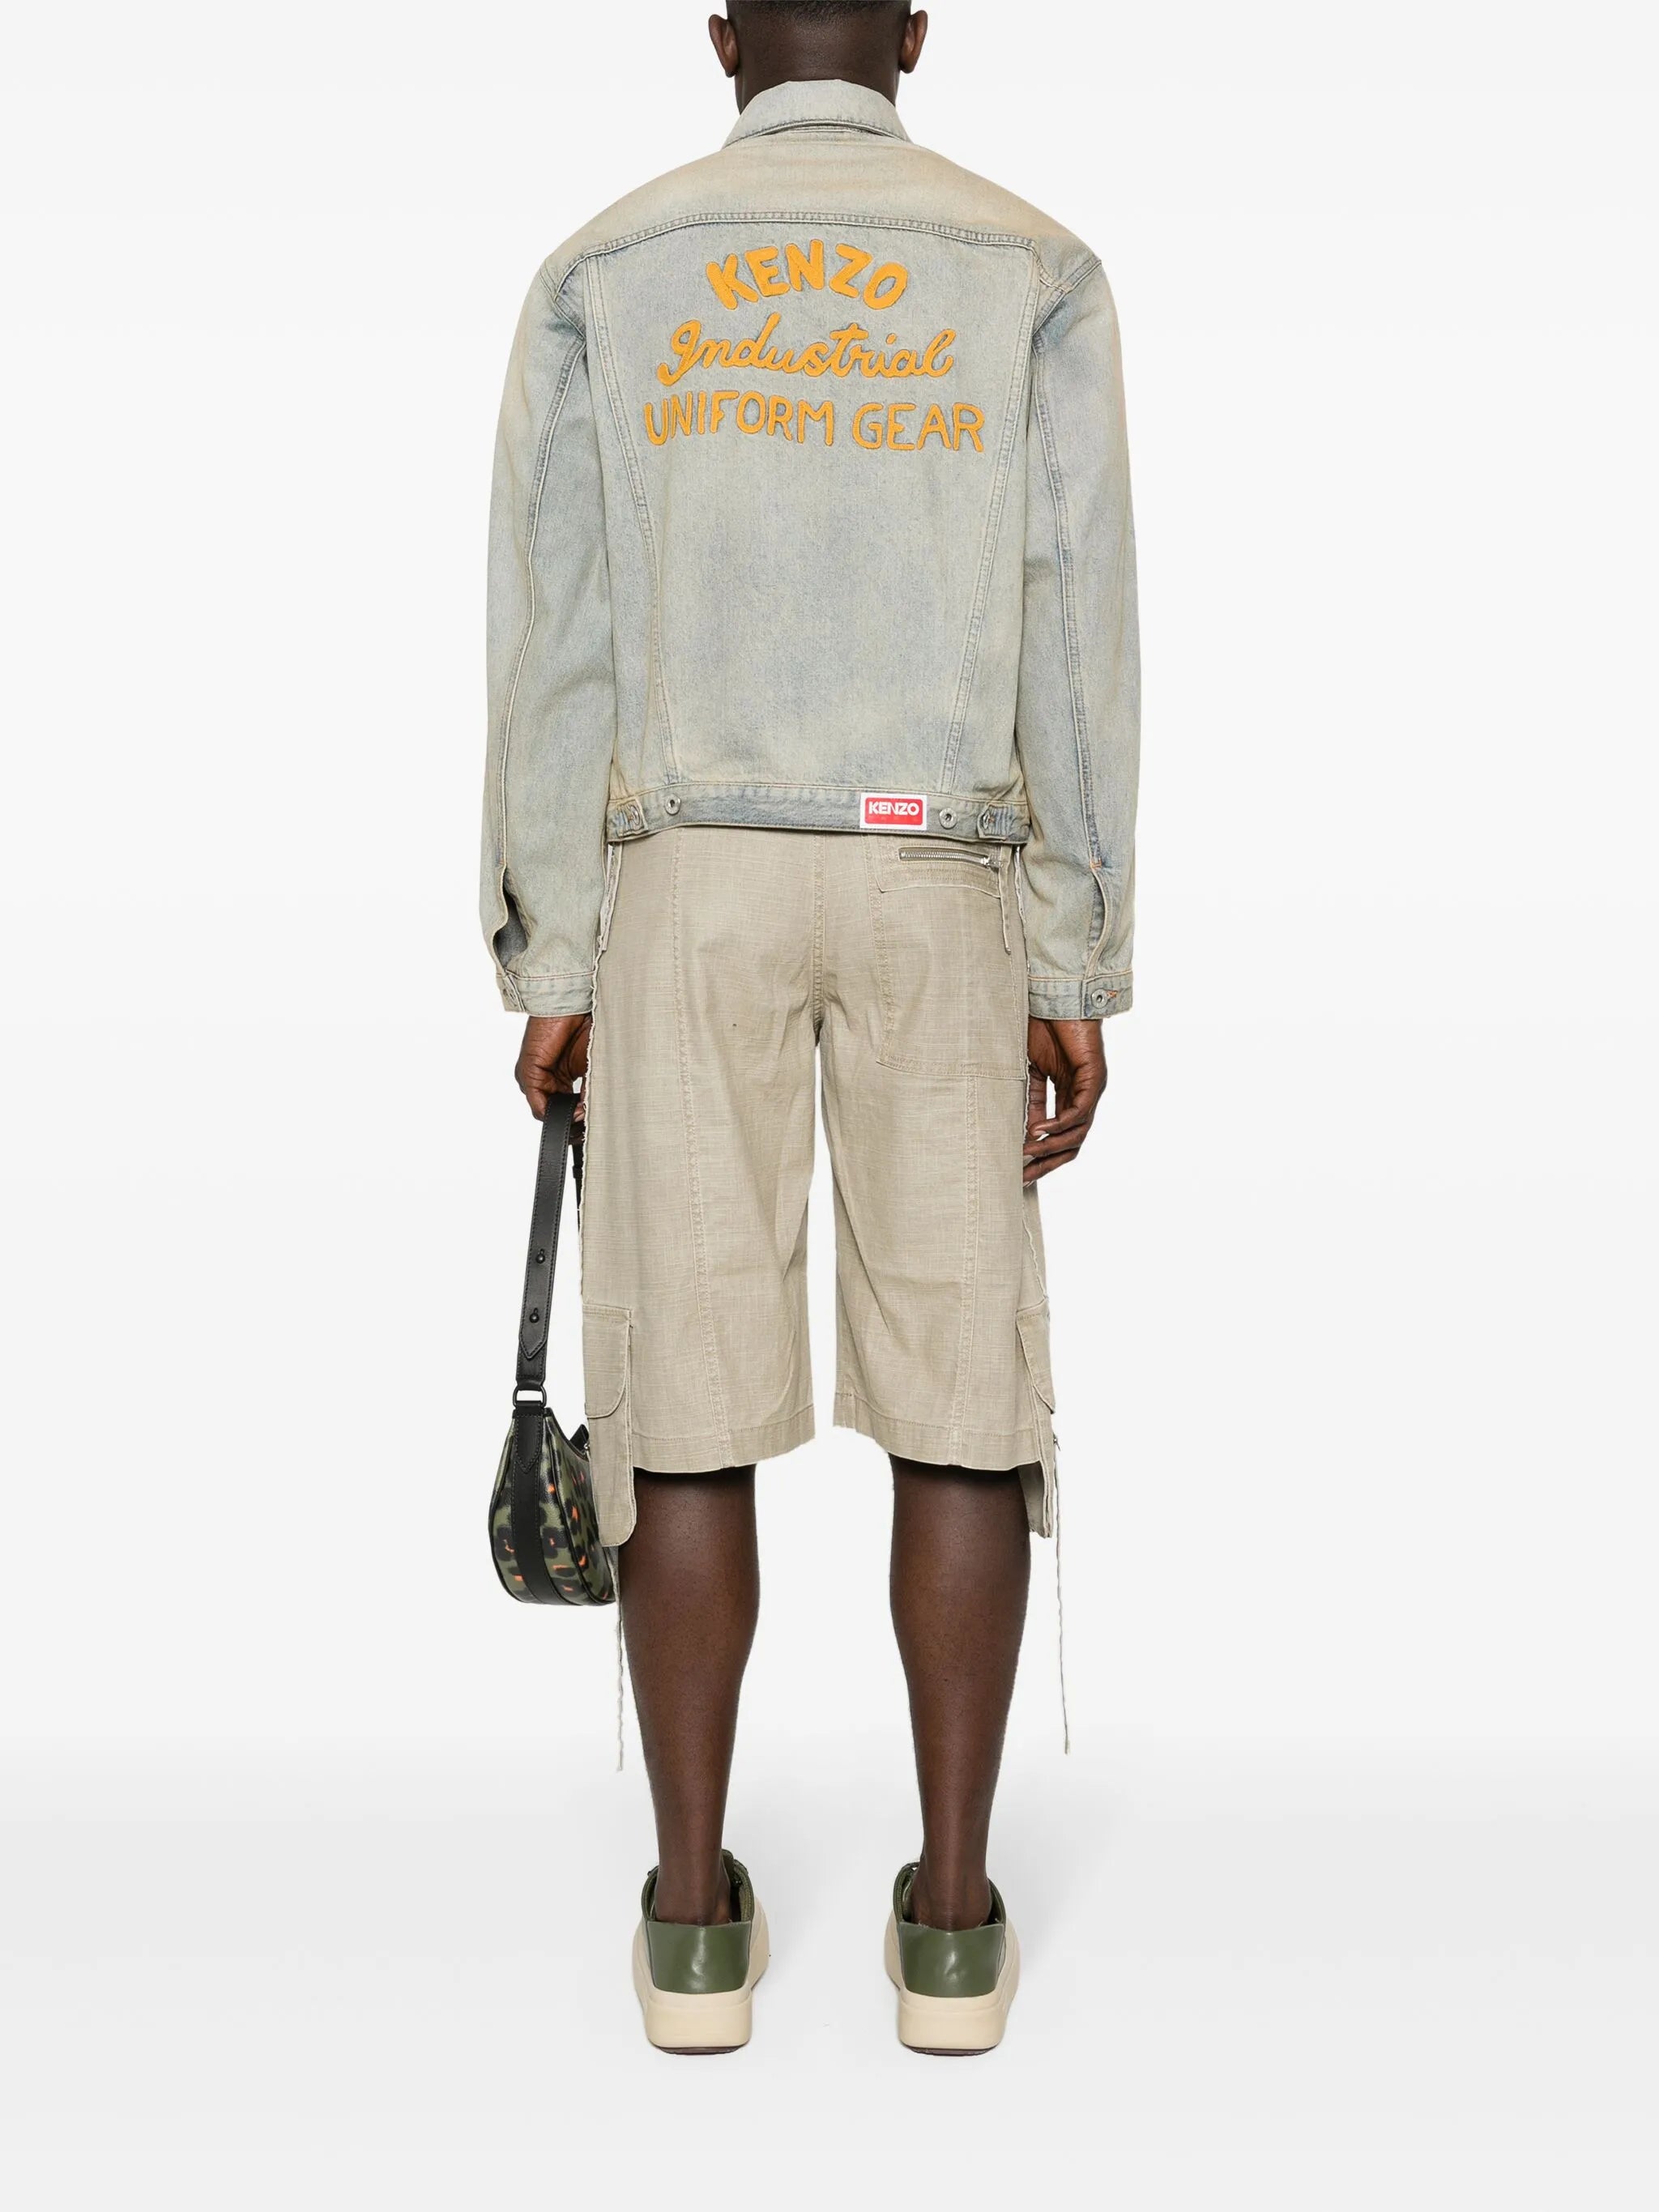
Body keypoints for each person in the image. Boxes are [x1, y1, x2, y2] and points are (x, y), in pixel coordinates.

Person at [481, 0, 1137, 2056]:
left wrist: (554, 948)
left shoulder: (608, 270)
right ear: (917, 33)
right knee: (960, 1387)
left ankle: (693, 1924)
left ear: (720, 39)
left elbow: (557, 635)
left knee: (683, 1392)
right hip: (943, 863)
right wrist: (1069, 954)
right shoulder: (1029, 268)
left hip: (686, 875)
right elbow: (1072, 622)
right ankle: (949, 1924)